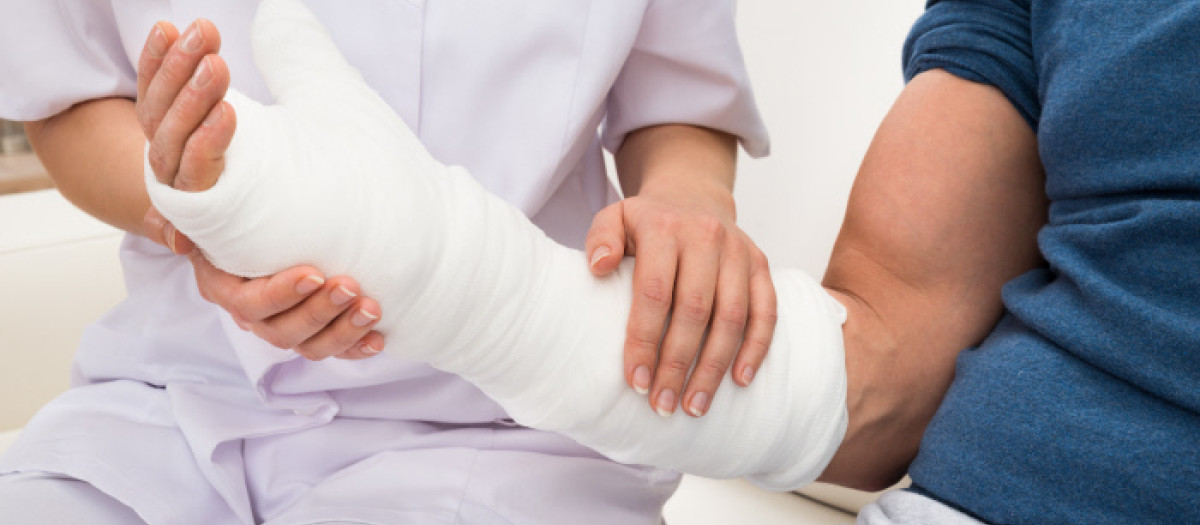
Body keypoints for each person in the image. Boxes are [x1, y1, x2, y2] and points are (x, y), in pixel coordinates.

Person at [0, 1, 775, 523]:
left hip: (504, 428)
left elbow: (677, 97)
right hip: (172, 397)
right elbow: (69, 97)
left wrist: (687, 203)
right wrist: (201, 218)